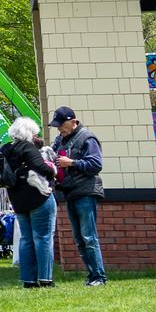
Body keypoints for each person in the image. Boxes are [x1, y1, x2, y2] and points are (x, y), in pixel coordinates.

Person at [0, 116, 60, 288]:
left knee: (26, 239)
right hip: (38, 197)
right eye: (35, 133)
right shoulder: (27, 148)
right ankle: (45, 279)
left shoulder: (5, 149)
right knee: (43, 238)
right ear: (29, 133)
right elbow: (42, 168)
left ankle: (28, 280)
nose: (36, 137)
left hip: (18, 200)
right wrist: (52, 168)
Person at [50, 106, 107, 286]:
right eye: (57, 126)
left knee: (89, 237)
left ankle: (99, 277)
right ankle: (92, 275)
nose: (59, 129)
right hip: (70, 192)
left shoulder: (87, 138)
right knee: (79, 238)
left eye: (61, 125)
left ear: (73, 121)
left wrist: (72, 162)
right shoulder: (59, 141)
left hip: (85, 191)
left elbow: (96, 165)